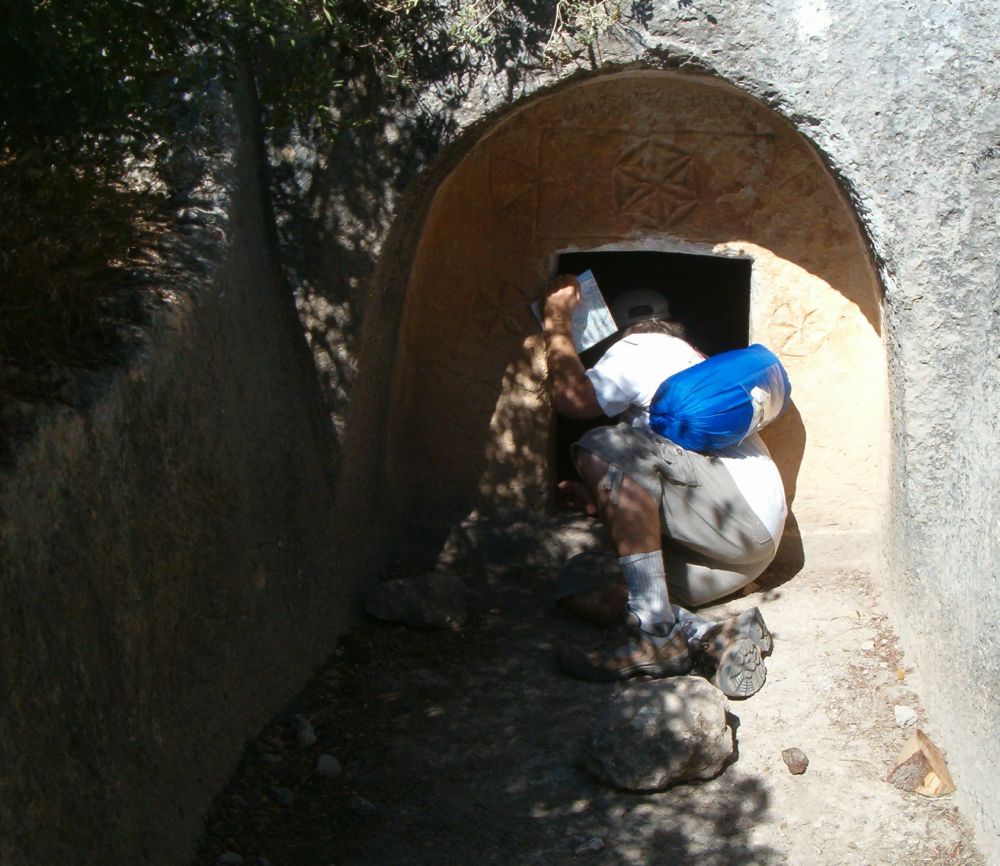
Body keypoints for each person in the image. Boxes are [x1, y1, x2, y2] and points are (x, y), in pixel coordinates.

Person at [542, 273, 787, 697]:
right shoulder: (694, 356)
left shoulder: (640, 347)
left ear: (616, 329)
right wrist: (601, 500)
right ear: (671, 321)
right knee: (580, 581)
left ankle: (653, 635)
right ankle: (707, 633)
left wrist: (556, 320)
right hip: (738, 556)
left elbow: (572, 400)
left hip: (734, 523)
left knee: (603, 445)